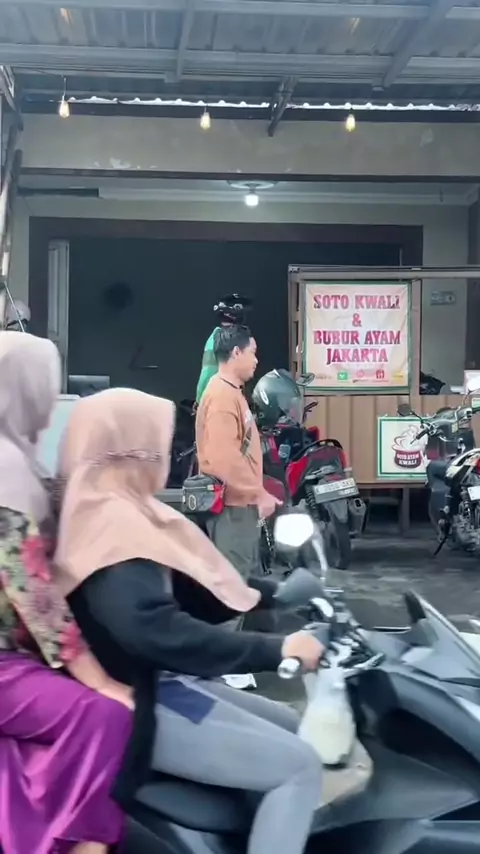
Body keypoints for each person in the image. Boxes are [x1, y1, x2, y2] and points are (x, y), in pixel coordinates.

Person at [54, 388, 325, 854]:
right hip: (140, 699)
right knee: (299, 767)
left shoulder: (115, 505)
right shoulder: (110, 522)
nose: (167, 455)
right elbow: (154, 630)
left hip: (156, 681)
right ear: (130, 448)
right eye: (156, 443)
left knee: (288, 721)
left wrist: (274, 595)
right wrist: (276, 649)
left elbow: (192, 584)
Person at [0, 331, 133, 854]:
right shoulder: (5, 469)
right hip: (5, 663)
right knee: (107, 714)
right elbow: (33, 590)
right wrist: (100, 681)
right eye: (43, 386)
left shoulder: (22, 461)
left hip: (18, 655)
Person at [196, 325, 281, 580]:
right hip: (231, 510)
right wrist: (259, 493)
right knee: (234, 584)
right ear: (236, 352)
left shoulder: (231, 391)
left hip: (240, 506)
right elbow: (225, 458)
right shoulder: (222, 397)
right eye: (252, 352)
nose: (256, 360)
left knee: (243, 579)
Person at [195, 294, 252, 405]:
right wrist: (200, 401)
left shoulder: (223, 337)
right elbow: (207, 373)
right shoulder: (219, 339)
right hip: (217, 400)